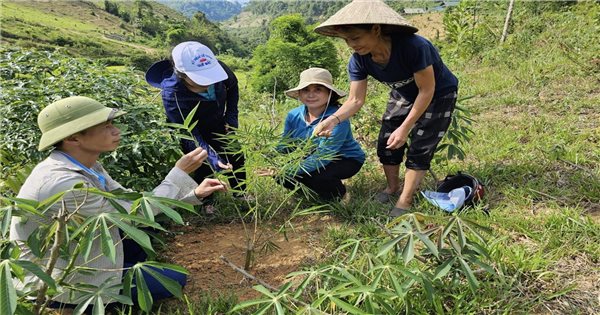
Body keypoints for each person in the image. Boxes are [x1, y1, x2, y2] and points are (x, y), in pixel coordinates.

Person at [9, 96, 227, 309]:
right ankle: (71, 305)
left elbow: (130, 199)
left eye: (112, 124)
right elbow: (133, 215)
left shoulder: (88, 165)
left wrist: (194, 194)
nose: (115, 131)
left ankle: (121, 276)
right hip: (61, 278)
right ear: (73, 138)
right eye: (105, 126)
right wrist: (178, 174)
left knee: (139, 246)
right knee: (176, 279)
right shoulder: (63, 183)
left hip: (83, 254)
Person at [313, 0, 459, 216]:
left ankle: (405, 200)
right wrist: (332, 120)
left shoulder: (414, 47)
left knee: (420, 146)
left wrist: (406, 127)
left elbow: (427, 91)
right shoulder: (359, 60)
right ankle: (392, 187)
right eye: (346, 40)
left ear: (376, 29)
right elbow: (355, 100)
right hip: (404, 93)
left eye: (356, 38)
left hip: (438, 93)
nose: (352, 45)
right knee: (387, 141)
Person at [145, 41, 247, 210]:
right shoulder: (172, 94)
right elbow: (189, 133)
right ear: (181, 75)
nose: (207, 83)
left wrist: (231, 117)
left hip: (217, 121)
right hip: (191, 129)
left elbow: (233, 87)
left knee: (236, 154)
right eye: (199, 80)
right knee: (202, 163)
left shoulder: (220, 70)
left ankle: (240, 194)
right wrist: (212, 158)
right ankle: (207, 202)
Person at [274, 67, 365, 201]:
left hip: (345, 158)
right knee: (280, 175)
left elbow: (323, 156)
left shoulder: (337, 118)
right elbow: (286, 145)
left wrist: (286, 169)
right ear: (299, 93)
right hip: (311, 156)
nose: (311, 95)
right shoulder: (293, 115)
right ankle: (310, 194)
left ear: (329, 93)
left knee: (318, 175)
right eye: (306, 90)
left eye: (318, 89)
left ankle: (340, 195)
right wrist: (270, 156)